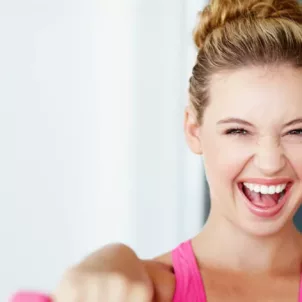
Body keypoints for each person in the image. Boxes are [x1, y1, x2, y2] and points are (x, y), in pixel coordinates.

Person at [52, 0, 302, 301]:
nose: (270, 162)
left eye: (296, 131)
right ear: (194, 130)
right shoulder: (148, 290)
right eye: (238, 131)